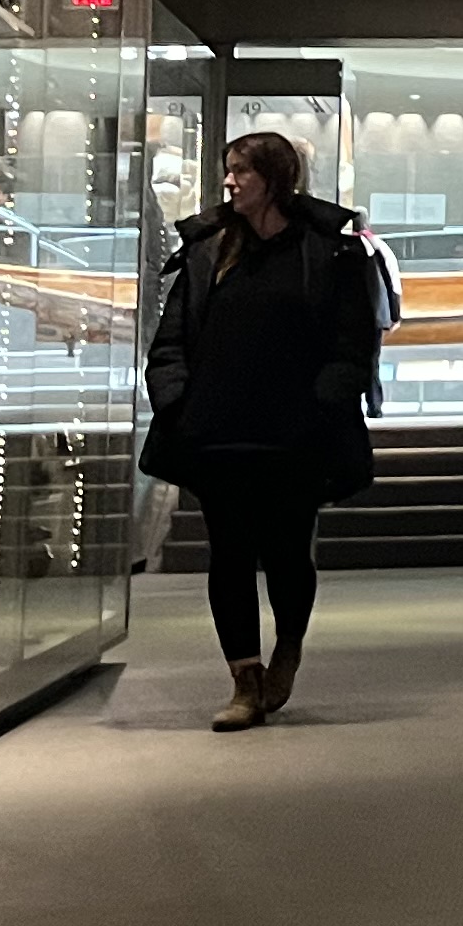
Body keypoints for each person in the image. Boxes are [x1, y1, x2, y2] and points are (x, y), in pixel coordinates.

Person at [141, 131, 380, 731]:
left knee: (287, 555)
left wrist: (324, 403)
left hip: (294, 436)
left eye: (241, 171)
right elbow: (171, 339)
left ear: (274, 179)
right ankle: (244, 682)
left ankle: (287, 650)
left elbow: (353, 341)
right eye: (228, 170)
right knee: (229, 556)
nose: (229, 181)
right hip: (216, 432)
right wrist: (176, 404)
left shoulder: (327, 250)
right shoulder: (209, 249)